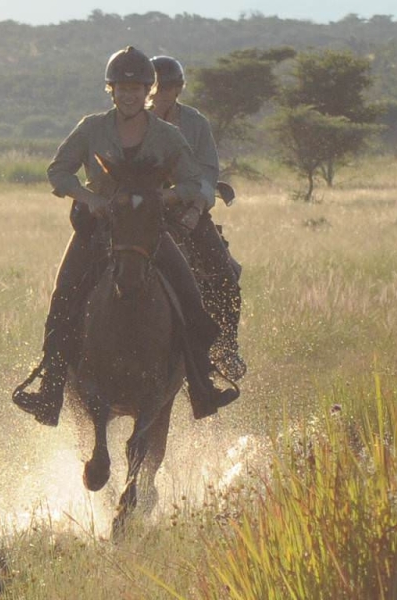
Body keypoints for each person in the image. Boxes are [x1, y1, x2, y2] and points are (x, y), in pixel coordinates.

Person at [13, 46, 238, 427]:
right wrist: (89, 198)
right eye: (121, 87)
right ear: (111, 90)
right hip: (98, 231)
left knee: (192, 299)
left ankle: (204, 383)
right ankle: (49, 388)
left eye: (136, 87)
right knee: (62, 299)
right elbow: (59, 171)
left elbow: (191, 181)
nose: (129, 94)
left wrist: (160, 198)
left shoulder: (167, 135)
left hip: (149, 231)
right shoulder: (91, 128)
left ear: (149, 90)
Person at [150, 55, 246, 381]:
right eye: (156, 86)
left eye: (168, 87)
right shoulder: (129, 120)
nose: (161, 92)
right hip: (138, 210)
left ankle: (224, 350)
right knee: (81, 272)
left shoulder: (196, 124)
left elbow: (207, 173)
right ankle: (62, 358)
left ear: (178, 89)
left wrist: (194, 211)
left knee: (224, 275)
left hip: (187, 211)